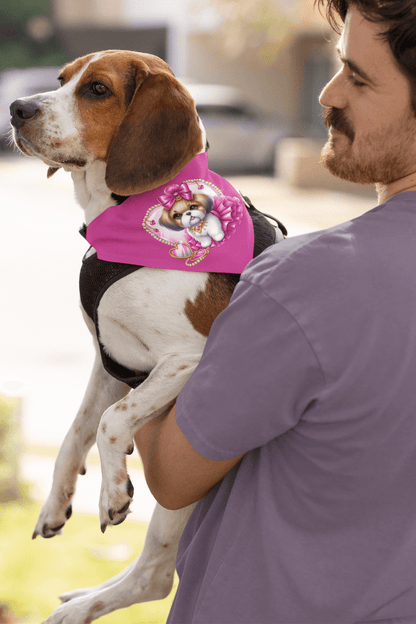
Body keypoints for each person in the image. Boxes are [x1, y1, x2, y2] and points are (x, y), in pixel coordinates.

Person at [136, 1, 416, 622]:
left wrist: (130, 328)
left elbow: (170, 472)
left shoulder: (310, 282)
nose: (329, 91)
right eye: (341, 64)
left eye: (360, 79)